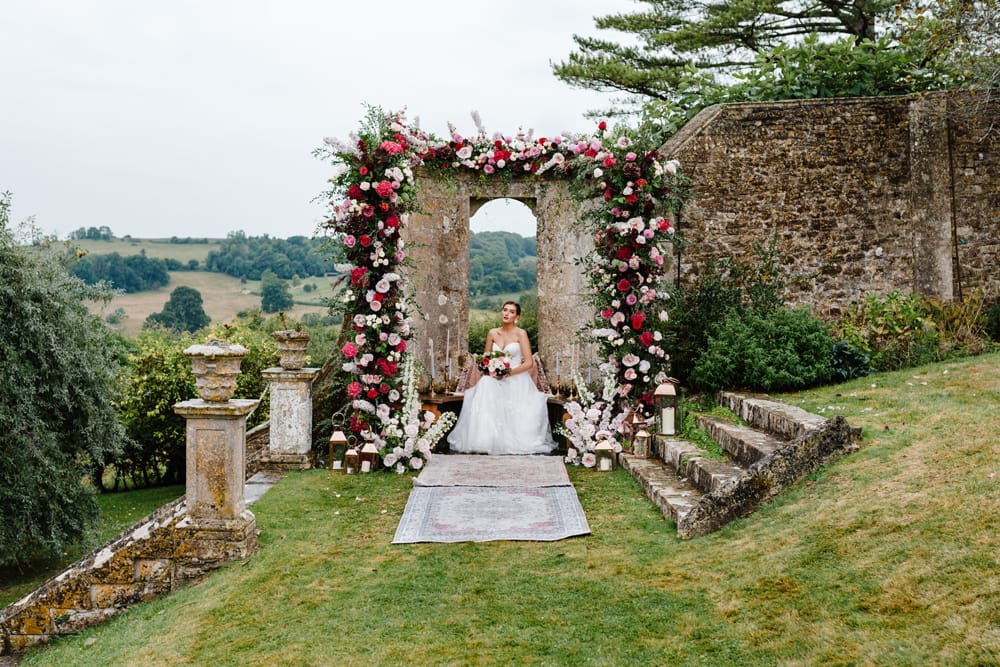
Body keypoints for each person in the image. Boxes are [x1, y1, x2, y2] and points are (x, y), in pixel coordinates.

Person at [447, 301, 556, 455]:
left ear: (517, 316)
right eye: (505, 310)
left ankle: (508, 439)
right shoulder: (492, 333)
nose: (507, 314)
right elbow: (485, 359)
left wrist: (507, 372)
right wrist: (491, 369)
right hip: (494, 378)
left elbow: (529, 363)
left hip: (516, 378)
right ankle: (484, 440)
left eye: (511, 312)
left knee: (497, 390)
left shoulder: (521, 334)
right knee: (485, 383)